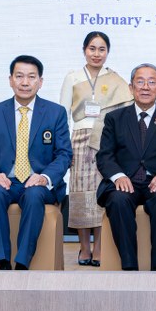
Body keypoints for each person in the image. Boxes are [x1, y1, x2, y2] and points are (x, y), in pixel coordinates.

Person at [0, 55, 72, 270]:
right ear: (10, 80)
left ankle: (22, 261)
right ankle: (3, 260)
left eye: (31, 77)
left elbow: (64, 154)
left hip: (38, 182)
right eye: (19, 76)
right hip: (6, 180)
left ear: (40, 81)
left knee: (34, 194)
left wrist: (44, 177)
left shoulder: (55, 113)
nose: (25, 82)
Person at [96, 64, 156, 271]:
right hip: (126, 181)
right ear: (131, 87)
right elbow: (105, 155)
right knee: (118, 199)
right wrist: (118, 176)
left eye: (151, 82)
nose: (146, 87)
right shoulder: (115, 119)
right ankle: (129, 267)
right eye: (140, 81)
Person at [59, 31, 133, 266]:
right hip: (79, 140)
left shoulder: (115, 79)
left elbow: (126, 110)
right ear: (84, 50)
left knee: (102, 193)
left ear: (107, 52)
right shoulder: (72, 77)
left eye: (102, 49)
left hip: (106, 141)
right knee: (80, 194)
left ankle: (99, 247)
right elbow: (62, 114)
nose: (97, 54)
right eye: (92, 48)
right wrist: (63, 146)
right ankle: (84, 248)